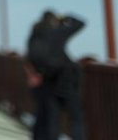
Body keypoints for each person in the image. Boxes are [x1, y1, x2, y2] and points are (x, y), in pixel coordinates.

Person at [27, 10, 86, 140]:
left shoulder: (35, 34)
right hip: (65, 79)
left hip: (47, 81)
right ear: (54, 20)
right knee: (76, 117)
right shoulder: (57, 32)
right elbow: (80, 23)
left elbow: (30, 57)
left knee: (51, 118)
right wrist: (65, 18)